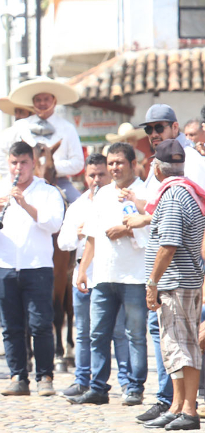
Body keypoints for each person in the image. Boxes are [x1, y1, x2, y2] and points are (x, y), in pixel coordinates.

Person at [0, 141, 66, 396]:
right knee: (11, 326)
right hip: (2, 267)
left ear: (32, 164)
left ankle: (45, 376)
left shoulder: (47, 191)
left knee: (40, 325)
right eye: (14, 163)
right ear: (8, 163)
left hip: (36, 267)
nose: (18, 168)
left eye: (23, 163)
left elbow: (54, 224)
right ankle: (18, 376)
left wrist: (26, 205)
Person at [70, 145, 149, 406]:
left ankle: (135, 387)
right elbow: (92, 234)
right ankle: (98, 387)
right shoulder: (103, 194)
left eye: (119, 162)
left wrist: (127, 230)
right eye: (111, 163)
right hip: (104, 275)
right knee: (97, 333)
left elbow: (154, 232)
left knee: (135, 334)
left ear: (133, 163)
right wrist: (83, 270)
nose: (115, 167)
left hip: (135, 276)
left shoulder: (145, 193)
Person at [134, 140, 205, 431]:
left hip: (177, 281)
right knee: (175, 345)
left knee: (182, 345)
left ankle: (188, 409)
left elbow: (169, 243)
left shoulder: (174, 195)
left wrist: (152, 281)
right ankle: (178, 405)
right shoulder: (183, 190)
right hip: (179, 280)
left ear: (157, 168)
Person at [60, 156, 132, 399]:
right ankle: (83, 379)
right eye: (92, 175)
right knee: (83, 332)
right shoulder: (78, 205)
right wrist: (78, 234)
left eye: (101, 174)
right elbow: (62, 242)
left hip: (111, 274)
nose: (97, 180)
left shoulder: (118, 199)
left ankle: (126, 382)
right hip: (85, 275)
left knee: (119, 332)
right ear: (85, 177)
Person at [0, 78, 84, 198]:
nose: (42, 103)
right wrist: (12, 175)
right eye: (38, 100)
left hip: (58, 182)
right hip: (24, 183)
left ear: (54, 101)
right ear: (33, 103)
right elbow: (1, 151)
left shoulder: (67, 128)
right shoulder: (21, 126)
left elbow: (78, 162)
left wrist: (49, 168)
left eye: (46, 99)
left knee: (78, 208)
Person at [139, 104, 205, 186]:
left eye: (159, 128)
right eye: (148, 129)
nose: (153, 134)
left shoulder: (190, 158)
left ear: (175, 127)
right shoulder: (161, 157)